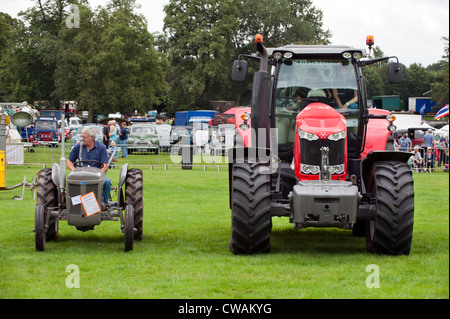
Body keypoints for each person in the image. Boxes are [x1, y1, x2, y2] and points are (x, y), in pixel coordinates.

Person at [67, 126, 111, 203]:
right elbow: (69, 161)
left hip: (96, 173)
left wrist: (99, 174)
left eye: (84, 137)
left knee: (106, 182)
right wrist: (73, 170)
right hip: (80, 172)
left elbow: (105, 165)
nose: (82, 139)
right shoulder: (78, 147)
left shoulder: (101, 147)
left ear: (92, 137)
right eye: (82, 136)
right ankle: (74, 203)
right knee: (70, 181)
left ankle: (104, 203)